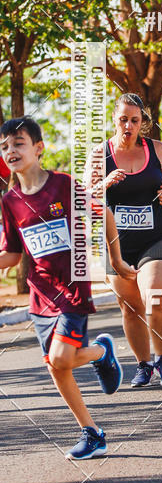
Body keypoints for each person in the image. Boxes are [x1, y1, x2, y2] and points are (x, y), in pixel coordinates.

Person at [0, 116, 136, 459]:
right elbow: (13, 255)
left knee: (60, 358)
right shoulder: (9, 201)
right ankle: (92, 432)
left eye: (18, 143)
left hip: (73, 286)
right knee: (55, 365)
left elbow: (102, 213)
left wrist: (117, 262)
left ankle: (100, 355)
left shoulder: (63, 185)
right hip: (40, 293)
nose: (11, 150)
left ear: (38, 148)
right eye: (4, 147)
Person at [85, 94, 162, 388]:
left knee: (154, 296)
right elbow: (85, 198)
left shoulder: (157, 149)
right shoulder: (99, 155)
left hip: (156, 237)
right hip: (117, 245)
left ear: (143, 123)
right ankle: (144, 364)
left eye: (135, 120)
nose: (128, 125)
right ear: (114, 119)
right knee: (130, 308)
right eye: (123, 119)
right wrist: (104, 184)